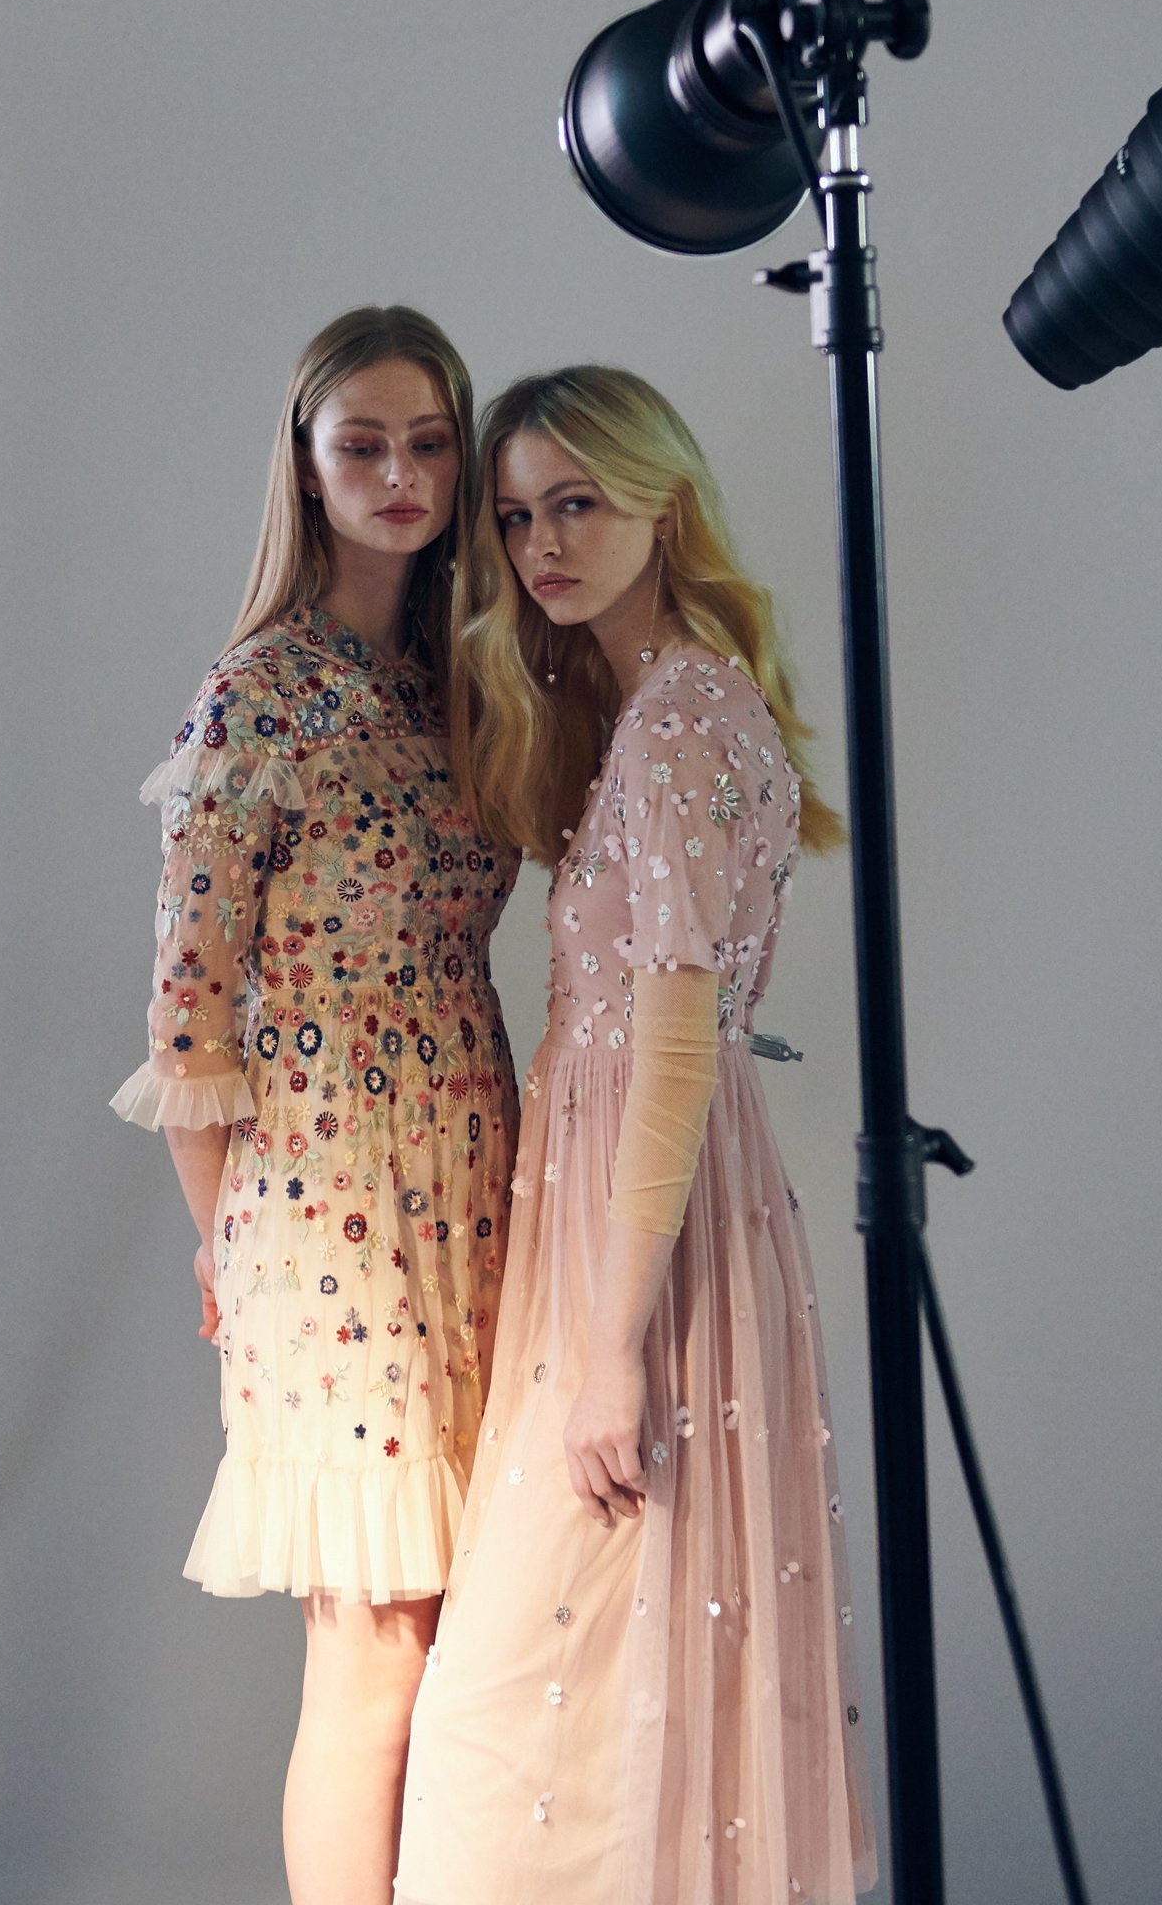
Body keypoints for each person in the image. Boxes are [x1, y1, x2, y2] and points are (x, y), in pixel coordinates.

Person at [395, 364, 874, 1903]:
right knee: (601, 1661)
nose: (542, 544)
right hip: (632, 1218)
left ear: (662, 503)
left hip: (639, 1240)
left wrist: (611, 1352)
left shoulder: (679, 728)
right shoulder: (664, 708)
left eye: (578, 504)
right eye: (517, 516)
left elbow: (670, 1047)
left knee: (523, 1683)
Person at [112, 305, 519, 1905]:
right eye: (364, 444)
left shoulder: (460, 681)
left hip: (474, 1184)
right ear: (306, 463)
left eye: (430, 443)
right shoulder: (256, 697)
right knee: (377, 1651)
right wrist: (229, 1247)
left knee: (474, 1627)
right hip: (324, 1213)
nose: (400, 474)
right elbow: (186, 1020)